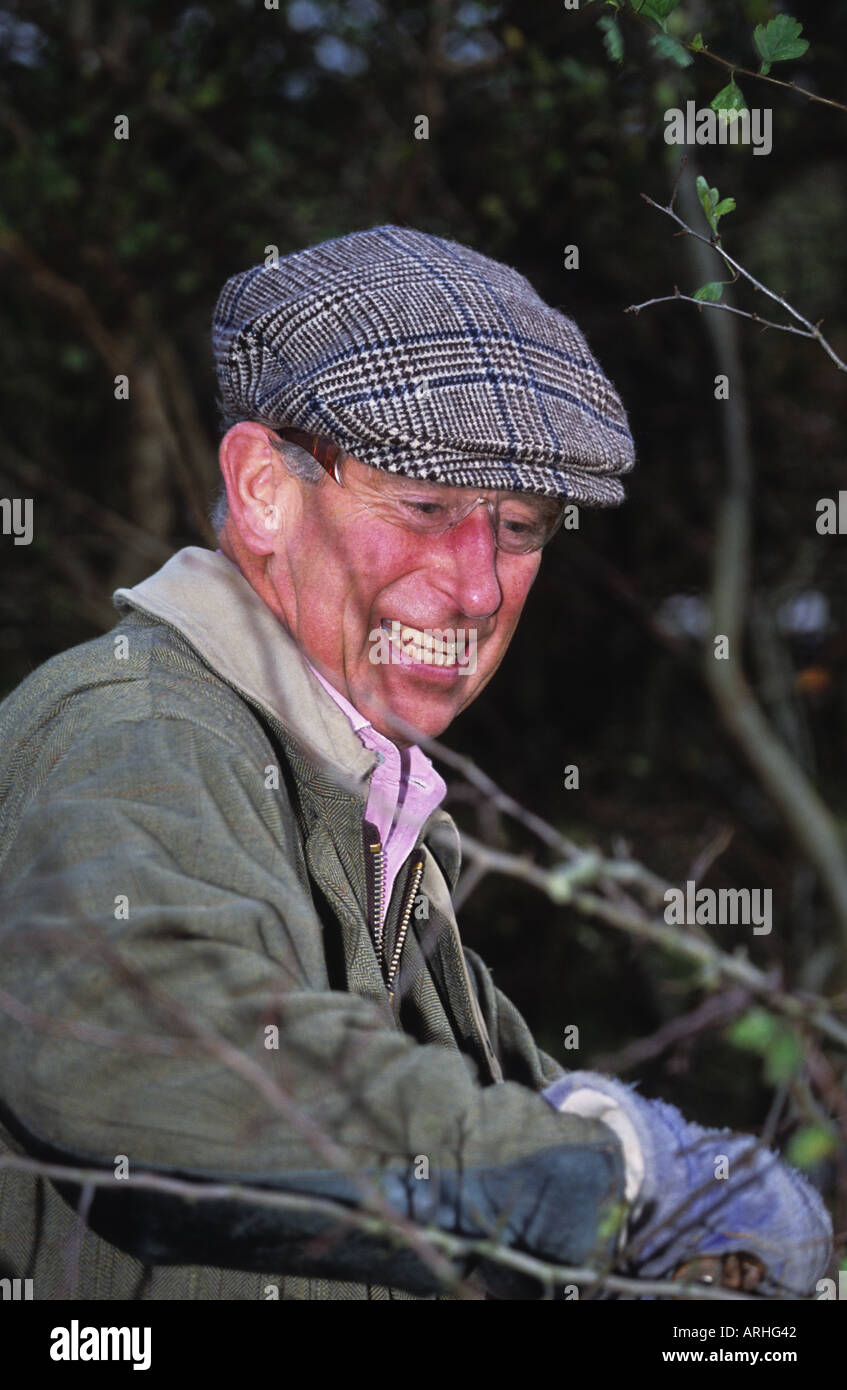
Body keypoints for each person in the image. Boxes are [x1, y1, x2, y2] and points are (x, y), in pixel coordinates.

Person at [0, 226, 831, 1301]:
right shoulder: (135, 728)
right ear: (262, 488)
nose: (480, 586)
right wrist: (613, 1178)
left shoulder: (374, 814)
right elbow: (150, 1051)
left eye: (521, 527)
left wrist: (699, 1221)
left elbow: (488, 1152)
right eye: (426, 508)